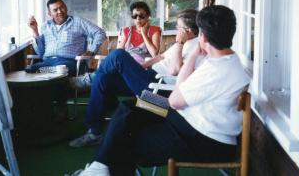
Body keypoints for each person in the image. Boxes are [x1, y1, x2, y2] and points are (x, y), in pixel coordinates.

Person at [67, 5, 250, 176]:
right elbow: (179, 91)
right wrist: (194, 54)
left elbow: (175, 99)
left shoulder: (217, 69)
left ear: (202, 36)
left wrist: (190, 60)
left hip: (201, 138)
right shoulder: (221, 60)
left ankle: (99, 168)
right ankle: (98, 168)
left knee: (124, 142)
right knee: (129, 107)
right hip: (185, 118)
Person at [68, 9, 201, 148]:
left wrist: (179, 43)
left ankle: (89, 80)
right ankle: (94, 132)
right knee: (102, 80)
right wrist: (140, 66)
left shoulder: (195, 47)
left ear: (189, 30)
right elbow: (161, 57)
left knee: (118, 55)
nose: (176, 29)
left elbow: (174, 70)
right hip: (148, 77)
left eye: (178, 27)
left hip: (159, 93)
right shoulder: (184, 42)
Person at [27, 0, 106, 76]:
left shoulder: (78, 22)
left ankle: (50, 71)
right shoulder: (45, 26)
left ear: (66, 7)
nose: (60, 11)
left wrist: (92, 50)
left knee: (61, 70)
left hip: (69, 62)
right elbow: (41, 53)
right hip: (48, 62)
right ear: (49, 13)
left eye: (62, 7)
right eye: (55, 10)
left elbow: (100, 32)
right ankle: (49, 71)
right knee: (29, 70)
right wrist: (35, 31)